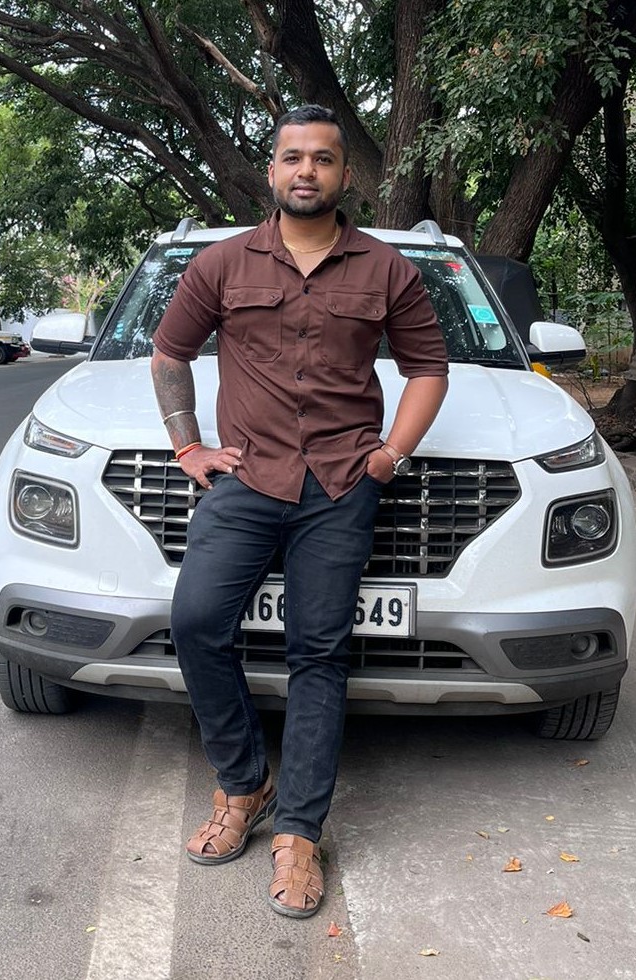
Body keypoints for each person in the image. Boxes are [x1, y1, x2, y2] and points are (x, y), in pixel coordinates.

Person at [150, 104, 448, 918]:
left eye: (322, 158)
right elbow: (170, 352)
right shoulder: (220, 263)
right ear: (272, 170)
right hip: (245, 481)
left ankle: (300, 835)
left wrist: (390, 455)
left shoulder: (387, 269)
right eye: (293, 157)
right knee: (195, 623)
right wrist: (188, 446)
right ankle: (244, 784)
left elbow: (427, 368)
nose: (306, 170)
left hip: (341, 489)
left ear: (345, 174)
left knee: (319, 653)